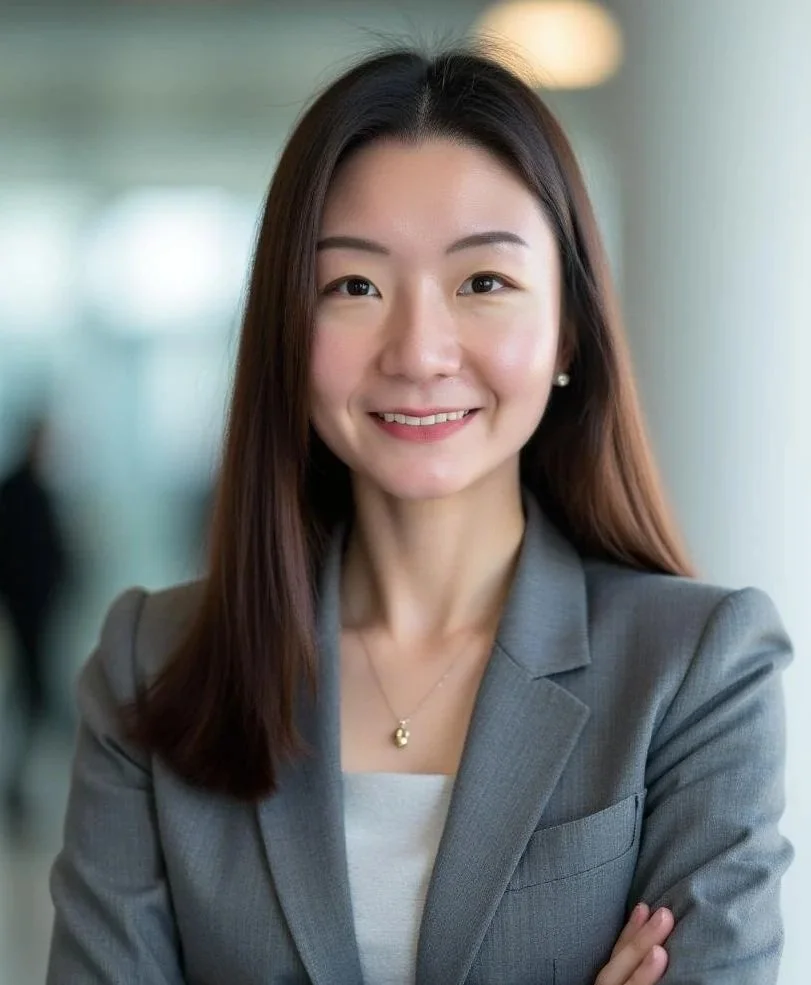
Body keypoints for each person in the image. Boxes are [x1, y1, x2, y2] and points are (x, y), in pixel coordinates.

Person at [46, 46, 792, 985]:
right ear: (288, 326)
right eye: (354, 286)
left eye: (482, 282)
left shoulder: (696, 667)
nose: (419, 350)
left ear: (566, 327)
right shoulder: (152, 662)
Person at [0, 417, 68, 831]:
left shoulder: (33, 489)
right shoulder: (18, 491)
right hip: (26, 609)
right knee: (33, 692)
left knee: (30, 691)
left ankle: (18, 782)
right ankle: (16, 783)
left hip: (39, 609)